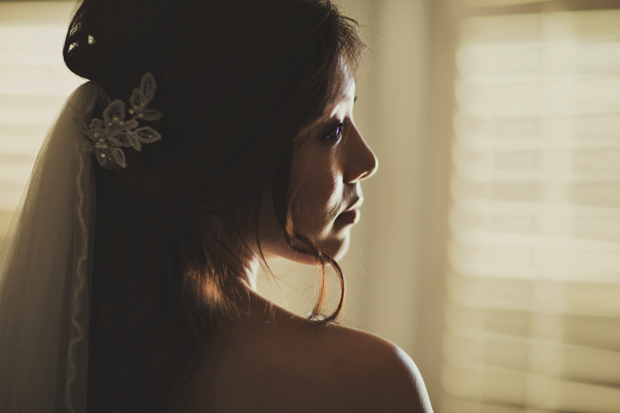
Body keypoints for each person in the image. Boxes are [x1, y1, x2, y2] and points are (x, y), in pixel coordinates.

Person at [0, 0, 433, 412]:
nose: (367, 163)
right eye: (332, 131)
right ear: (227, 155)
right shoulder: (371, 386)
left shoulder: (68, 359)